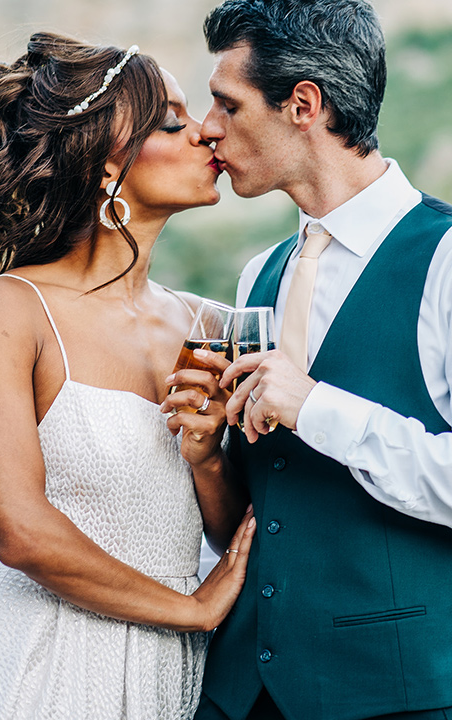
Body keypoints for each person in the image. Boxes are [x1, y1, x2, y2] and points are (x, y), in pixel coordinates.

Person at [0, 32, 256, 720]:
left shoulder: (211, 325)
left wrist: (207, 460)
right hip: (47, 654)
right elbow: (19, 531)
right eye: (173, 122)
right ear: (105, 164)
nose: (206, 133)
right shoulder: (7, 310)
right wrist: (190, 608)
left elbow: (230, 534)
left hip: (172, 671)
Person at [185, 1, 452, 718]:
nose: (207, 128)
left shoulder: (446, 260)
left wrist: (316, 408)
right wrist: (210, 447)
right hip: (241, 691)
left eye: (227, 103)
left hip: (393, 692)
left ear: (303, 104)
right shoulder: (258, 276)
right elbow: (267, 504)